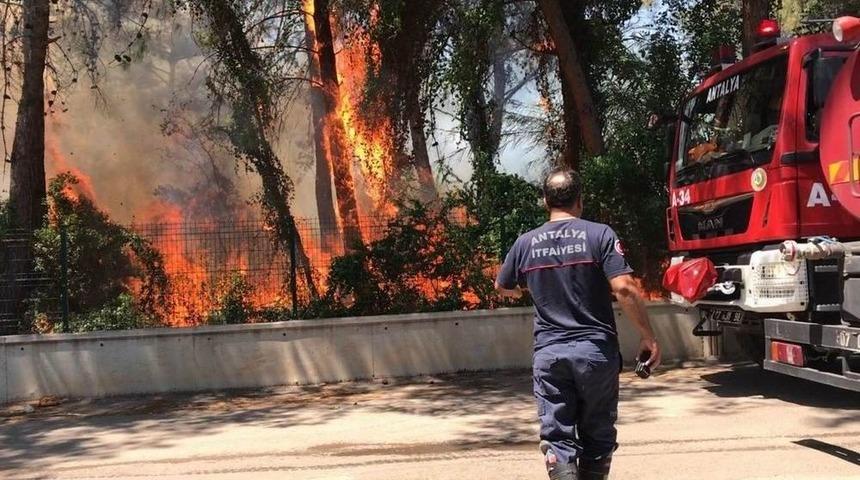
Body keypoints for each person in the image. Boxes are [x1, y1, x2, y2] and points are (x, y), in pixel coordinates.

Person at [495, 167, 661, 480]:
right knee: (597, 436)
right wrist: (648, 337)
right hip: (595, 354)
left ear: (545, 200)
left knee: (557, 438)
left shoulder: (525, 243)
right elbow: (624, 288)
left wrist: (526, 287)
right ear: (580, 201)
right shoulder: (600, 235)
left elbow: (502, 286)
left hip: (550, 355)